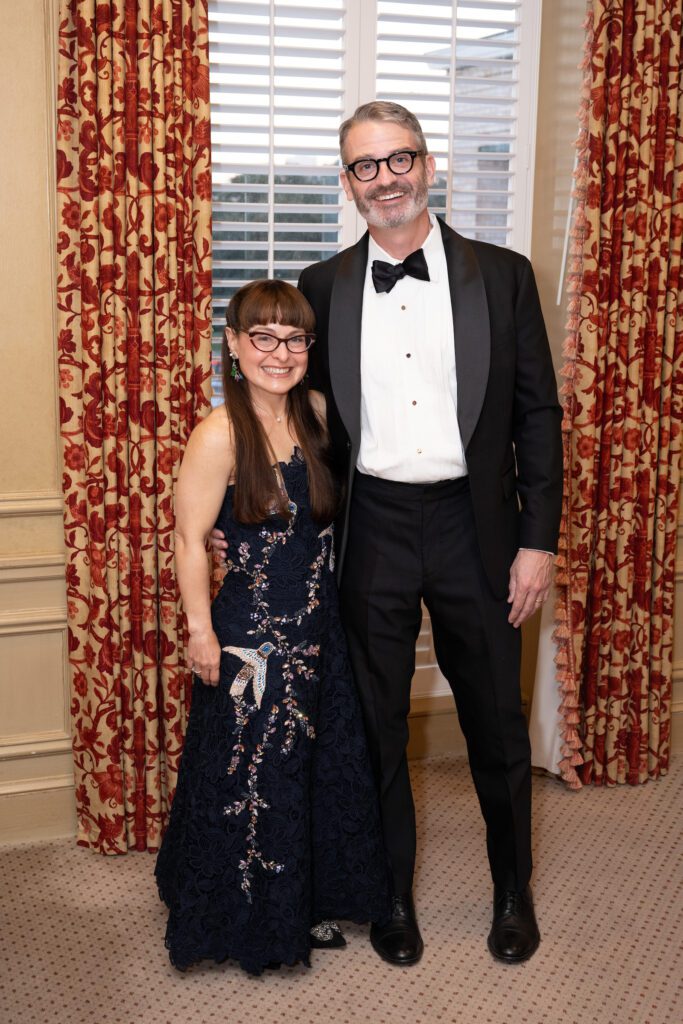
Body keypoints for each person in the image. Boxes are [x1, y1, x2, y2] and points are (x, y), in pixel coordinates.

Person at [212, 101, 563, 967]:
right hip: (367, 530)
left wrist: (537, 541)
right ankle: (389, 897)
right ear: (347, 183)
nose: (385, 179)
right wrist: (235, 524)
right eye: (364, 167)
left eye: (398, 159)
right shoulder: (322, 284)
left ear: (427, 164)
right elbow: (290, 420)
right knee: (372, 729)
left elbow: (537, 415)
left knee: (496, 725)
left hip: (474, 528)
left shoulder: (504, 275)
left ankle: (512, 890)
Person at [155, 279, 390, 976]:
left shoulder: (316, 412)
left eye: (294, 338)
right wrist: (200, 631)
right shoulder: (219, 433)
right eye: (262, 337)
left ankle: (303, 898)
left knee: (312, 770)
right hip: (250, 642)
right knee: (248, 773)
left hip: (318, 634)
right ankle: (247, 916)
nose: (279, 353)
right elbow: (188, 539)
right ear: (232, 345)